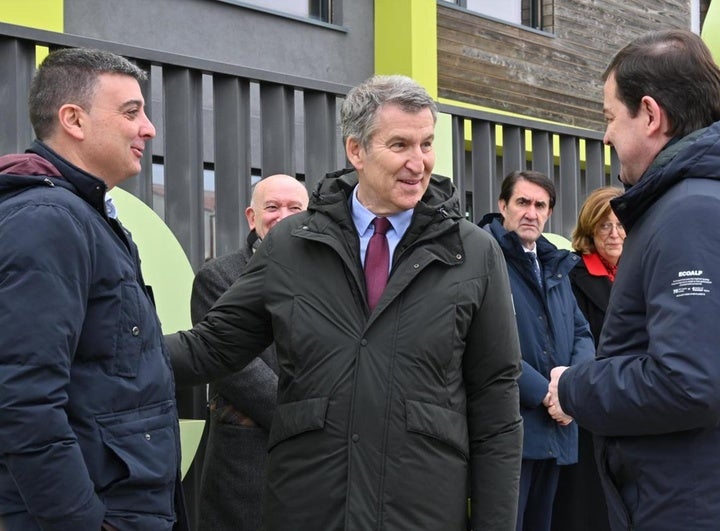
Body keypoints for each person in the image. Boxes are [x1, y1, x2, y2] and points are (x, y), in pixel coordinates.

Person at [166, 74, 523, 530]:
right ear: (356, 151)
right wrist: (112, 352)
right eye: (400, 146)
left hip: (421, 512)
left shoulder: (473, 252)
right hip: (310, 508)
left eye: (427, 144)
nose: (420, 163)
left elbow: (496, 400)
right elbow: (213, 346)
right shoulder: (292, 245)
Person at [548, 29, 720, 530]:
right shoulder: (711, 200)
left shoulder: (698, 211)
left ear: (649, 114)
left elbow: (693, 383)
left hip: (696, 502)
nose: (605, 136)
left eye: (609, 118)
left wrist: (574, 387)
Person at [0, 48, 187, 530]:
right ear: (73, 120)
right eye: (131, 112)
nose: (148, 129)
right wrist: (81, 522)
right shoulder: (49, 222)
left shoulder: (81, 215)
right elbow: (23, 398)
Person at [478, 170, 594, 531]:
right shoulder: (483, 257)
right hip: (508, 431)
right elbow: (486, 340)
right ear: (502, 206)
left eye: (540, 205)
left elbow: (581, 332)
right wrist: (548, 393)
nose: (531, 212)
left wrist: (572, 388)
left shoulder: (555, 264)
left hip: (555, 428)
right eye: (522, 202)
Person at [191, 174, 308, 531]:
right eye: (271, 207)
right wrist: (310, 421)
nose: (282, 216)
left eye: (295, 208)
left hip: (318, 469)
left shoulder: (332, 278)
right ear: (251, 217)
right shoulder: (219, 277)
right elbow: (235, 369)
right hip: (246, 465)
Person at [551, 186, 624, 531]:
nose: (614, 234)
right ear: (590, 231)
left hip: (628, 403)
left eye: (620, 224)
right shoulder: (573, 277)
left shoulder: (640, 271)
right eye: (604, 225)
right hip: (586, 405)